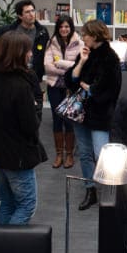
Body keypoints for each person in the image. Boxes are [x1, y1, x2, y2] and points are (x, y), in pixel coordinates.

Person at [0, 31, 48, 225]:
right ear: (18, 53)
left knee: (6, 201)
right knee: (26, 205)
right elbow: (30, 125)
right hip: (17, 155)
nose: (31, 54)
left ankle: (1, 248)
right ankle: (10, 248)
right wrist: (36, 109)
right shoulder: (20, 86)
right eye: (28, 51)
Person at [64, 19, 122, 211]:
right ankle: (90, 190)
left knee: (101, 155)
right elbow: (71, 81)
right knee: (86, 154)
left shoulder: (111, 58)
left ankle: (110, 192)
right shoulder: (86, 53)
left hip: (99, 115)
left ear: (95, 36)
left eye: (85, 35)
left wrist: (90, 89)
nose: (82, 38)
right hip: (81, 113)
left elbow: (112, 91)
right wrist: (81, 61)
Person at [0, 0, 51, 87]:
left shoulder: (42, 31)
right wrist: (2, 56)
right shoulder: (9, 29)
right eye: (27, 12)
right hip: (12, 74)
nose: (31, 14)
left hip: (34, 75)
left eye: (33, 11)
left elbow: (47, 52)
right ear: (20, 16)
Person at [44, 14, 82, 169]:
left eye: (67, 26)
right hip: (54, 87)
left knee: (69, 120)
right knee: (57, 120)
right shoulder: (51, 42)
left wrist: (59, 63)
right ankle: (59, 154)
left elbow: (79, 65)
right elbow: (47, 66)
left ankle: (70, 154)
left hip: (71, 88)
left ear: (71, 27)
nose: (64, 29)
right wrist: (67, 69)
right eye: (61, 27)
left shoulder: (79, 43)